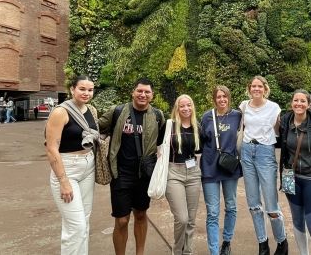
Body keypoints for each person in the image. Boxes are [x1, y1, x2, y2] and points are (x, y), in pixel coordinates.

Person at [98, 78, 166, 255]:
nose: (143, 95)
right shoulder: (118, 111)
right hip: (121, 173)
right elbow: (96, 127)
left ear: (152, 95)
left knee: (141, 215)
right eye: (140, 91)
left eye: (147, 92)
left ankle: (140, 253)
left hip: (144, 174)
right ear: (133, 92)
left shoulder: (157, 116)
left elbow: (163, 141)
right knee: (121, 220)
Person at [45, 75, 99, 254]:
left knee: (84, 221)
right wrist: (63, 181)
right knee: (75, 226)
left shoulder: (91, 110)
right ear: (72, 89)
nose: (86, 93)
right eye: (82, 89)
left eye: (90, 90)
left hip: (88, 165)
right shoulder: (61, 112)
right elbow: (52, 148)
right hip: (67, 168)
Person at [239, 75, 288, 255]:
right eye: (253, 86)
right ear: (249, 88)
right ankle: (263, 243)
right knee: (253, 203)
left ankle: (282, 241)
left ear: (265, 89)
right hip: (246, 151)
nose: (256, 89)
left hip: (265, 152)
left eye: (260, 86)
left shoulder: (274, 107)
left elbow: (280, 130)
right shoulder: (243, 106)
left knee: (271, 205)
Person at [278, 89, 311, 255]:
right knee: (297, 221)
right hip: (290, 176)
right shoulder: (285, 121)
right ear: (291, 103)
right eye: (296, 100)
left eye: (302, 101)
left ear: (309, 104)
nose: (299, 104)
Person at [200, 86, 242, 255]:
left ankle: (226, 241)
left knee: (231, 206)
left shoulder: (237, 116)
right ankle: (214, 251)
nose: (222, 99)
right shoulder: (206, 117)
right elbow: (201, 141)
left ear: (229, 98)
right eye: (218, 97)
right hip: (210, 167)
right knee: (212, 212)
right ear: (214, 99)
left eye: (225, 96)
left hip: (230, 167)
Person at [165, 94, 202, 255]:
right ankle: (177, 250)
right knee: (182, 218)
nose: (186, 108)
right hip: (174, 173)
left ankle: (188, 251)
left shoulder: (197, 127)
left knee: (191, 220)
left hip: (193, 173)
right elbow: (157, 145)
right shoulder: (169, 126)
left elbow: (204, 150)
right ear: (177, 108)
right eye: (182, 106)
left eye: (189, 105)